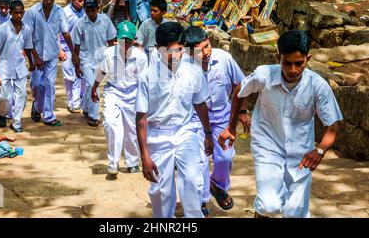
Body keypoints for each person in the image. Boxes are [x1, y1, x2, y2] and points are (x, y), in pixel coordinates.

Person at [218, 30, 343, 218]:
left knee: (295, 213)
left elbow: (332, 126)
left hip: (301, 152)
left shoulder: (318, 86)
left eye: (299, 63)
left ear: (307, 59)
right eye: (287, 63)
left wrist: (319, 150)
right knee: (269, 205)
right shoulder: (263, 75)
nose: (293, 70)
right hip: (267, 146)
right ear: (278, 58)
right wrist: (231, 127)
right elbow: (239, 92)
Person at [135, 21, 214, 218]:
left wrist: (207, 134)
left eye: (179, 49)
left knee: (193, 181)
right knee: (161, 190)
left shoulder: (193, 71)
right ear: (158, 50)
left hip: (185, 131)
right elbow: (141, 117)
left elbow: (200, 104)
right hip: (157, 134)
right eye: (169, 51)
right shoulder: (147, 76)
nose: (175, 55)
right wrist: (144, 155)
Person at [183, 26, 249, 217]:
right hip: (195, 119)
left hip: (222, 117)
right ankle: (202, 201)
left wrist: (242, 111)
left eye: (207, 46)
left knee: (225, 157)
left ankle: (217, 185)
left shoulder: (224, 58)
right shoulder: (184, 66)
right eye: (199, 50)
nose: (205, 53)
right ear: (188, 51)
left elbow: (241, 84)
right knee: (201, 161)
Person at [92, 20, 147, 178]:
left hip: (133, 93)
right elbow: (102, 71)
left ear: (134, 40)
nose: (125, 43)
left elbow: (145, 81)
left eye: (128, 40)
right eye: (122, 39)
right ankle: (113, 163)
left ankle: (132, 162)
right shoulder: (109, 53)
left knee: (131, 129)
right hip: (113, 91)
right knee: (110, 124)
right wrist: (94, 87)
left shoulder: (140, 57)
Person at [23, 0, 76, 127]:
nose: (49, 1)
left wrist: (73, 52)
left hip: (52, 55)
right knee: (37, 85)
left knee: (50, 85)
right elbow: (27, 36)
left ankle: (48, 115)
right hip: (36, 54)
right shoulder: (32, 12)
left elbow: (65, 33)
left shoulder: (59, 12)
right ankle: (37, 106)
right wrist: (35, 57)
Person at [71, 0, 117, 127]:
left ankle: (86, 107)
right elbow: (76, 46)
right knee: (92, 85)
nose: (90, 13)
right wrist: (76, 65)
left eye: (93, 10)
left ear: (98, 8)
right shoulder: (80, 24)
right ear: (84, 9)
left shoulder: (105, 21)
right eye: (88, 10)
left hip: (101, 61)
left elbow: (111, 41)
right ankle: (94, 115)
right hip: (86, 60)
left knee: (91, 86)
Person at [0, 0, 37, 133]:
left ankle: (16, 123)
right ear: (11, 13)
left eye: (21, 12)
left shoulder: (27, 29)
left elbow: (28, 47)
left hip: (20, 67)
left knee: (21, 96)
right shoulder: (3, 29)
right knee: (5, 98)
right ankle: (1, 113)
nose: (19, 15)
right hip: (4, 67)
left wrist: (32, 62)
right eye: (16, 13)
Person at [61, 0, 87, 113]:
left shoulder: (85, 12)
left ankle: (76, 102)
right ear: (72, 0)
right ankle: (72, 101)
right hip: (66, 48)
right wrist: (59, 50)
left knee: (80, 76)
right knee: (69, 77)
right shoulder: (64, 12)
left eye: (83, 1)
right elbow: (57, 31)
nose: (82, 4)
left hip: (81, 48)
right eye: (80, 1)